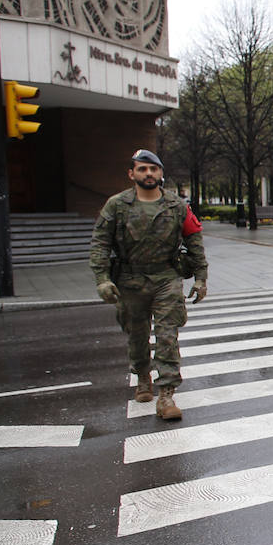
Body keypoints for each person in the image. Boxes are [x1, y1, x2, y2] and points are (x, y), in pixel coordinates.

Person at [89, 149, 208, 420]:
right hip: (130, 281)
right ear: (132, 174)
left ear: (161, 173)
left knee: (167, 335)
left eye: (153, 169)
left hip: (166, 278)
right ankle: (143, 376)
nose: (149, 174)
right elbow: (100, 243)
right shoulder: (116, 205)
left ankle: (166, 394)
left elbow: (195, 242)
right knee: (137, 333)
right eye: (142, 169)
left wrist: (201, 278)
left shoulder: (177, 206)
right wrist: (102, 280)